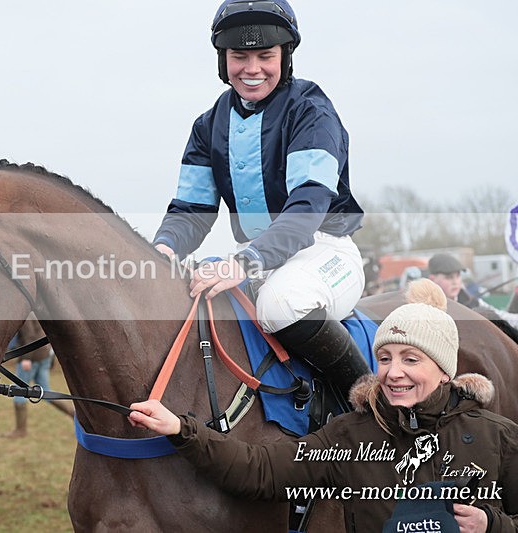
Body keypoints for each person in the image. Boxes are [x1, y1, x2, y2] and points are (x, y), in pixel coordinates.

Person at [129, 279, 518, 532]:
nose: (394, 373)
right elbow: (256, 470)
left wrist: (492, 526)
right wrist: (183, 430)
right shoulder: (350, 437)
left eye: (411, 360)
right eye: (385, 359)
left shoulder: (497, 437)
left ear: (445, 370)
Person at [152, 0, 368, 401]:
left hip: (323, 252)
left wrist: (246, 263)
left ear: (285, 57)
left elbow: (308, 205)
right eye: (240, 56)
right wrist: (162, 248)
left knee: (281, 303)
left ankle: (374, 407)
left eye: (265, 55)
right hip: (253, 258)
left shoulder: (311, 111)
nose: (252, 69)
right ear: (224, 60)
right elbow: (191, 211)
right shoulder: (208, 125)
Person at [2, 314, 73, 439]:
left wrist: (26, 358)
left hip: (32, 358)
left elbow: (30, 336)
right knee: (45, 392)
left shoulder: (26, 313)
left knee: (19, 392)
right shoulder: (35, 311)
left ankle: (20, 430)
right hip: (43, 355)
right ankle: (73, 413)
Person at [428, 253, 518, 333]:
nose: (455, 282)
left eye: (458, 276)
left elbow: (502, 318)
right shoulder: (426, 308)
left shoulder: (473, 302)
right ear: (432, 279)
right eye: (449, 277)